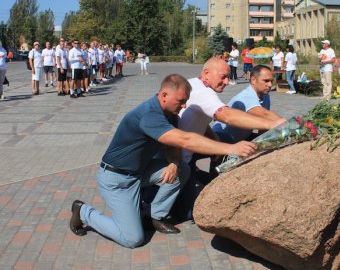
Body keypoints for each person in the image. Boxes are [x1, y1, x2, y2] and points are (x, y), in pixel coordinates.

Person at [69, 74, 256, 248]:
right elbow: (185, 139)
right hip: (116, 180)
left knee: (182, 169)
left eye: (185, 102)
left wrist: (174, 163)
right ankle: (84, 212)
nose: (184, 106)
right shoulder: (149, 114)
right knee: (132, 238)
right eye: (181, 101)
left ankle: (155, 216)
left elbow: (174, 147)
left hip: (139, 173)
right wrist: (230, 148)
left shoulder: (170, 115)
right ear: (164, 94)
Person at [172, 57, 285, 220]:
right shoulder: (203, 92)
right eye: (222, 76)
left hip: (187, 151)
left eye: (228, 76)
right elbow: (228, 116)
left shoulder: (200, 87)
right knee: (189, 213)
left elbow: (200, 122)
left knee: (222, 150)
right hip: (176, 156)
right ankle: (153, 199)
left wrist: (214, 139)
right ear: (206, 73)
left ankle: (196, 179)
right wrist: (275, 124)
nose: (227, 81)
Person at [212, 65, 283, 143]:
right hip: (220, 139)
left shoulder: (265, 96)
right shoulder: (246, 96)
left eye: (271, 81)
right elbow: (264, 114)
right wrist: (288, 125)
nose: (270, 85)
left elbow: (264, 125)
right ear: (253, 80)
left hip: (240, 139)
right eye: (266, 81)